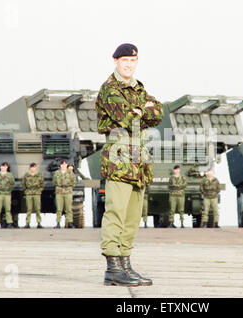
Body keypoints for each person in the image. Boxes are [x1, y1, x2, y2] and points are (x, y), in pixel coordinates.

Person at [96, 43, 164, 286]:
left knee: (133, 218)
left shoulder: (138, 88)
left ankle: (125, 264)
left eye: (132, 61)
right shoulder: (109, 89)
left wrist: (142, 109)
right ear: (115, 61)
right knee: (116, 214)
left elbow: (158, 113)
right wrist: (139, 110)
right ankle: (112, 268)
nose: (128, 64)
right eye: (124, 60)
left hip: (139, 164)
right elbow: (124, 117)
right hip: (119, 161)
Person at [53, 160, 76, 229]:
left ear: (67, 165)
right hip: (59, 192)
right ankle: (58, 223)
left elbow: (73, 182)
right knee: (59, 209)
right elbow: (54, 182)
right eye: (62, 164)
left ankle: (70, 223)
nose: (63, 166)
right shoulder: (57, 173)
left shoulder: (70, 173)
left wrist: (69, 187)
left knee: (68, 208)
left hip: (68, 191)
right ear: (60, 165)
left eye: (65, 164)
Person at [22, 163, 44, 229]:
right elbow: (23, 184)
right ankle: (27, 223)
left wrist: (39, 191)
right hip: (29, 193)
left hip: (37, 193)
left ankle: (39, 222)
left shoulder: (39, 175)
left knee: (38, 208)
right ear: (30, 168)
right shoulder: (26, 176)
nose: (33, 169)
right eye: (32, 167)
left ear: (36, 168)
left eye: (34, 167)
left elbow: (42, 184)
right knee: (29, 209)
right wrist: (26, 191)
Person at [0, 162, 15, 229]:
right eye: (3, 166)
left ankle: (9, 223)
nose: (4, 167)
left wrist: (8, 190)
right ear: (0, 167)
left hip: (7, 194)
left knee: (8, 209)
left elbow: (12, 184)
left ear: (7, 167)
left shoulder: (10, 175)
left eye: (5, 166)